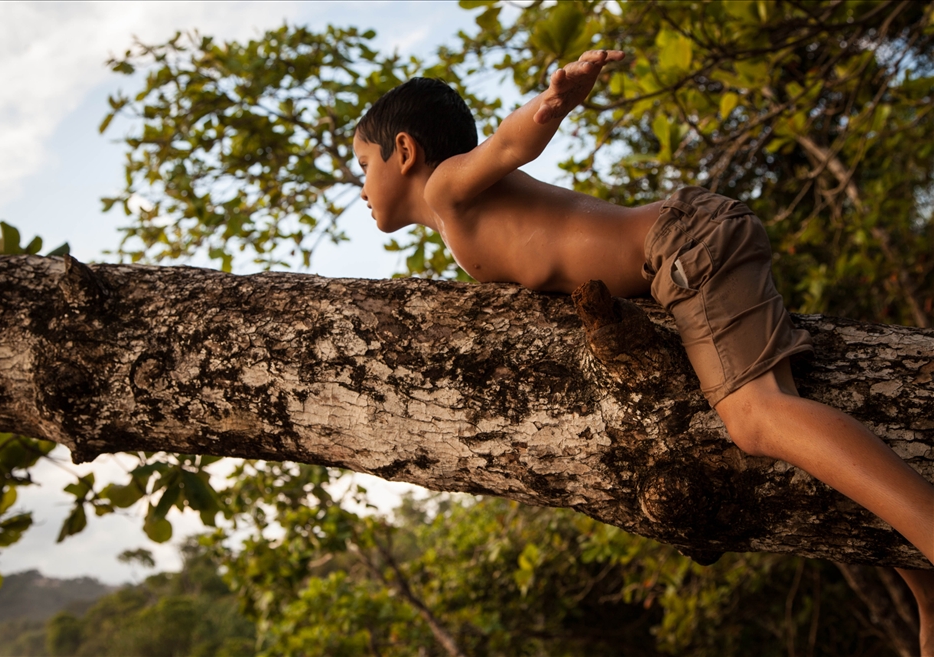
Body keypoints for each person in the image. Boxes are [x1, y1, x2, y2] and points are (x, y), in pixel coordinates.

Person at [352, 50, 934, 652]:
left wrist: (553, 104)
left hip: (681, 248)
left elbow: (507, 145)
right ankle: (924, 581)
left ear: (404, 150)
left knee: (757, 419)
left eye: (364, 165)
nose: (361, 186)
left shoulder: (448, 188)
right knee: (803, 417)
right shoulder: (463, 223)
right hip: (686, 249)